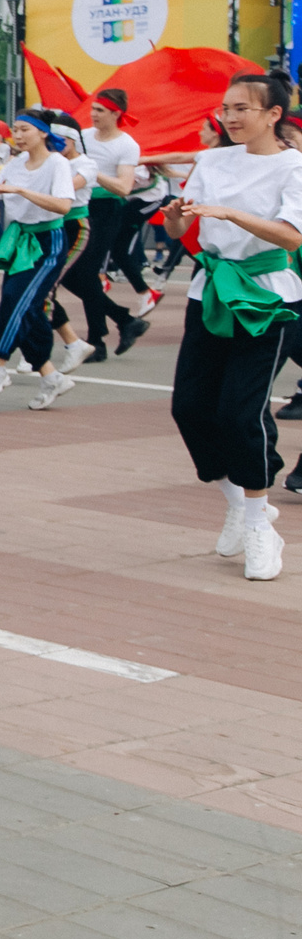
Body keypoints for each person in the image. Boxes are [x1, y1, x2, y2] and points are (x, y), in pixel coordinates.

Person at [163, 72, 302, 580]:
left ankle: (261, 529)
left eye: (244, 108)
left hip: (266, 297)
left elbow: (290, 238)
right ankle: (245, 507)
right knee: (190, 407)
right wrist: (177, 217)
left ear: (273, 115)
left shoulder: (294, 166)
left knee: (240, 413)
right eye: (227, 107)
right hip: (213, 291)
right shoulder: (212, 159)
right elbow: (182, 228)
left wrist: (231, 213)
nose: (232, 116)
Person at [0, 110, 80, 408]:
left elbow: (62, 206)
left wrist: (19, 189)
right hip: (19, 241)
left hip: (49, 241)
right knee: (27, 308)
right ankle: (50, 375)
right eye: (15, 130)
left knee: (15, 298)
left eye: (24, 130)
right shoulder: (15, 163)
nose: (17, 136)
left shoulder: (58, 163)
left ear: (43, 132)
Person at [62, 89, 155, 361]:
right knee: (66, 273)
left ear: (116, 114)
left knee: (88, 273)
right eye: (93, 109)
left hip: (107, 210)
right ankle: (123, 319)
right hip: (80, 207)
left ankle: (97, 342)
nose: (93, 115)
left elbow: (124, 187)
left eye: (100, 111)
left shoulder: (127, 145)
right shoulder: (84, 137)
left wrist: (92, 171)